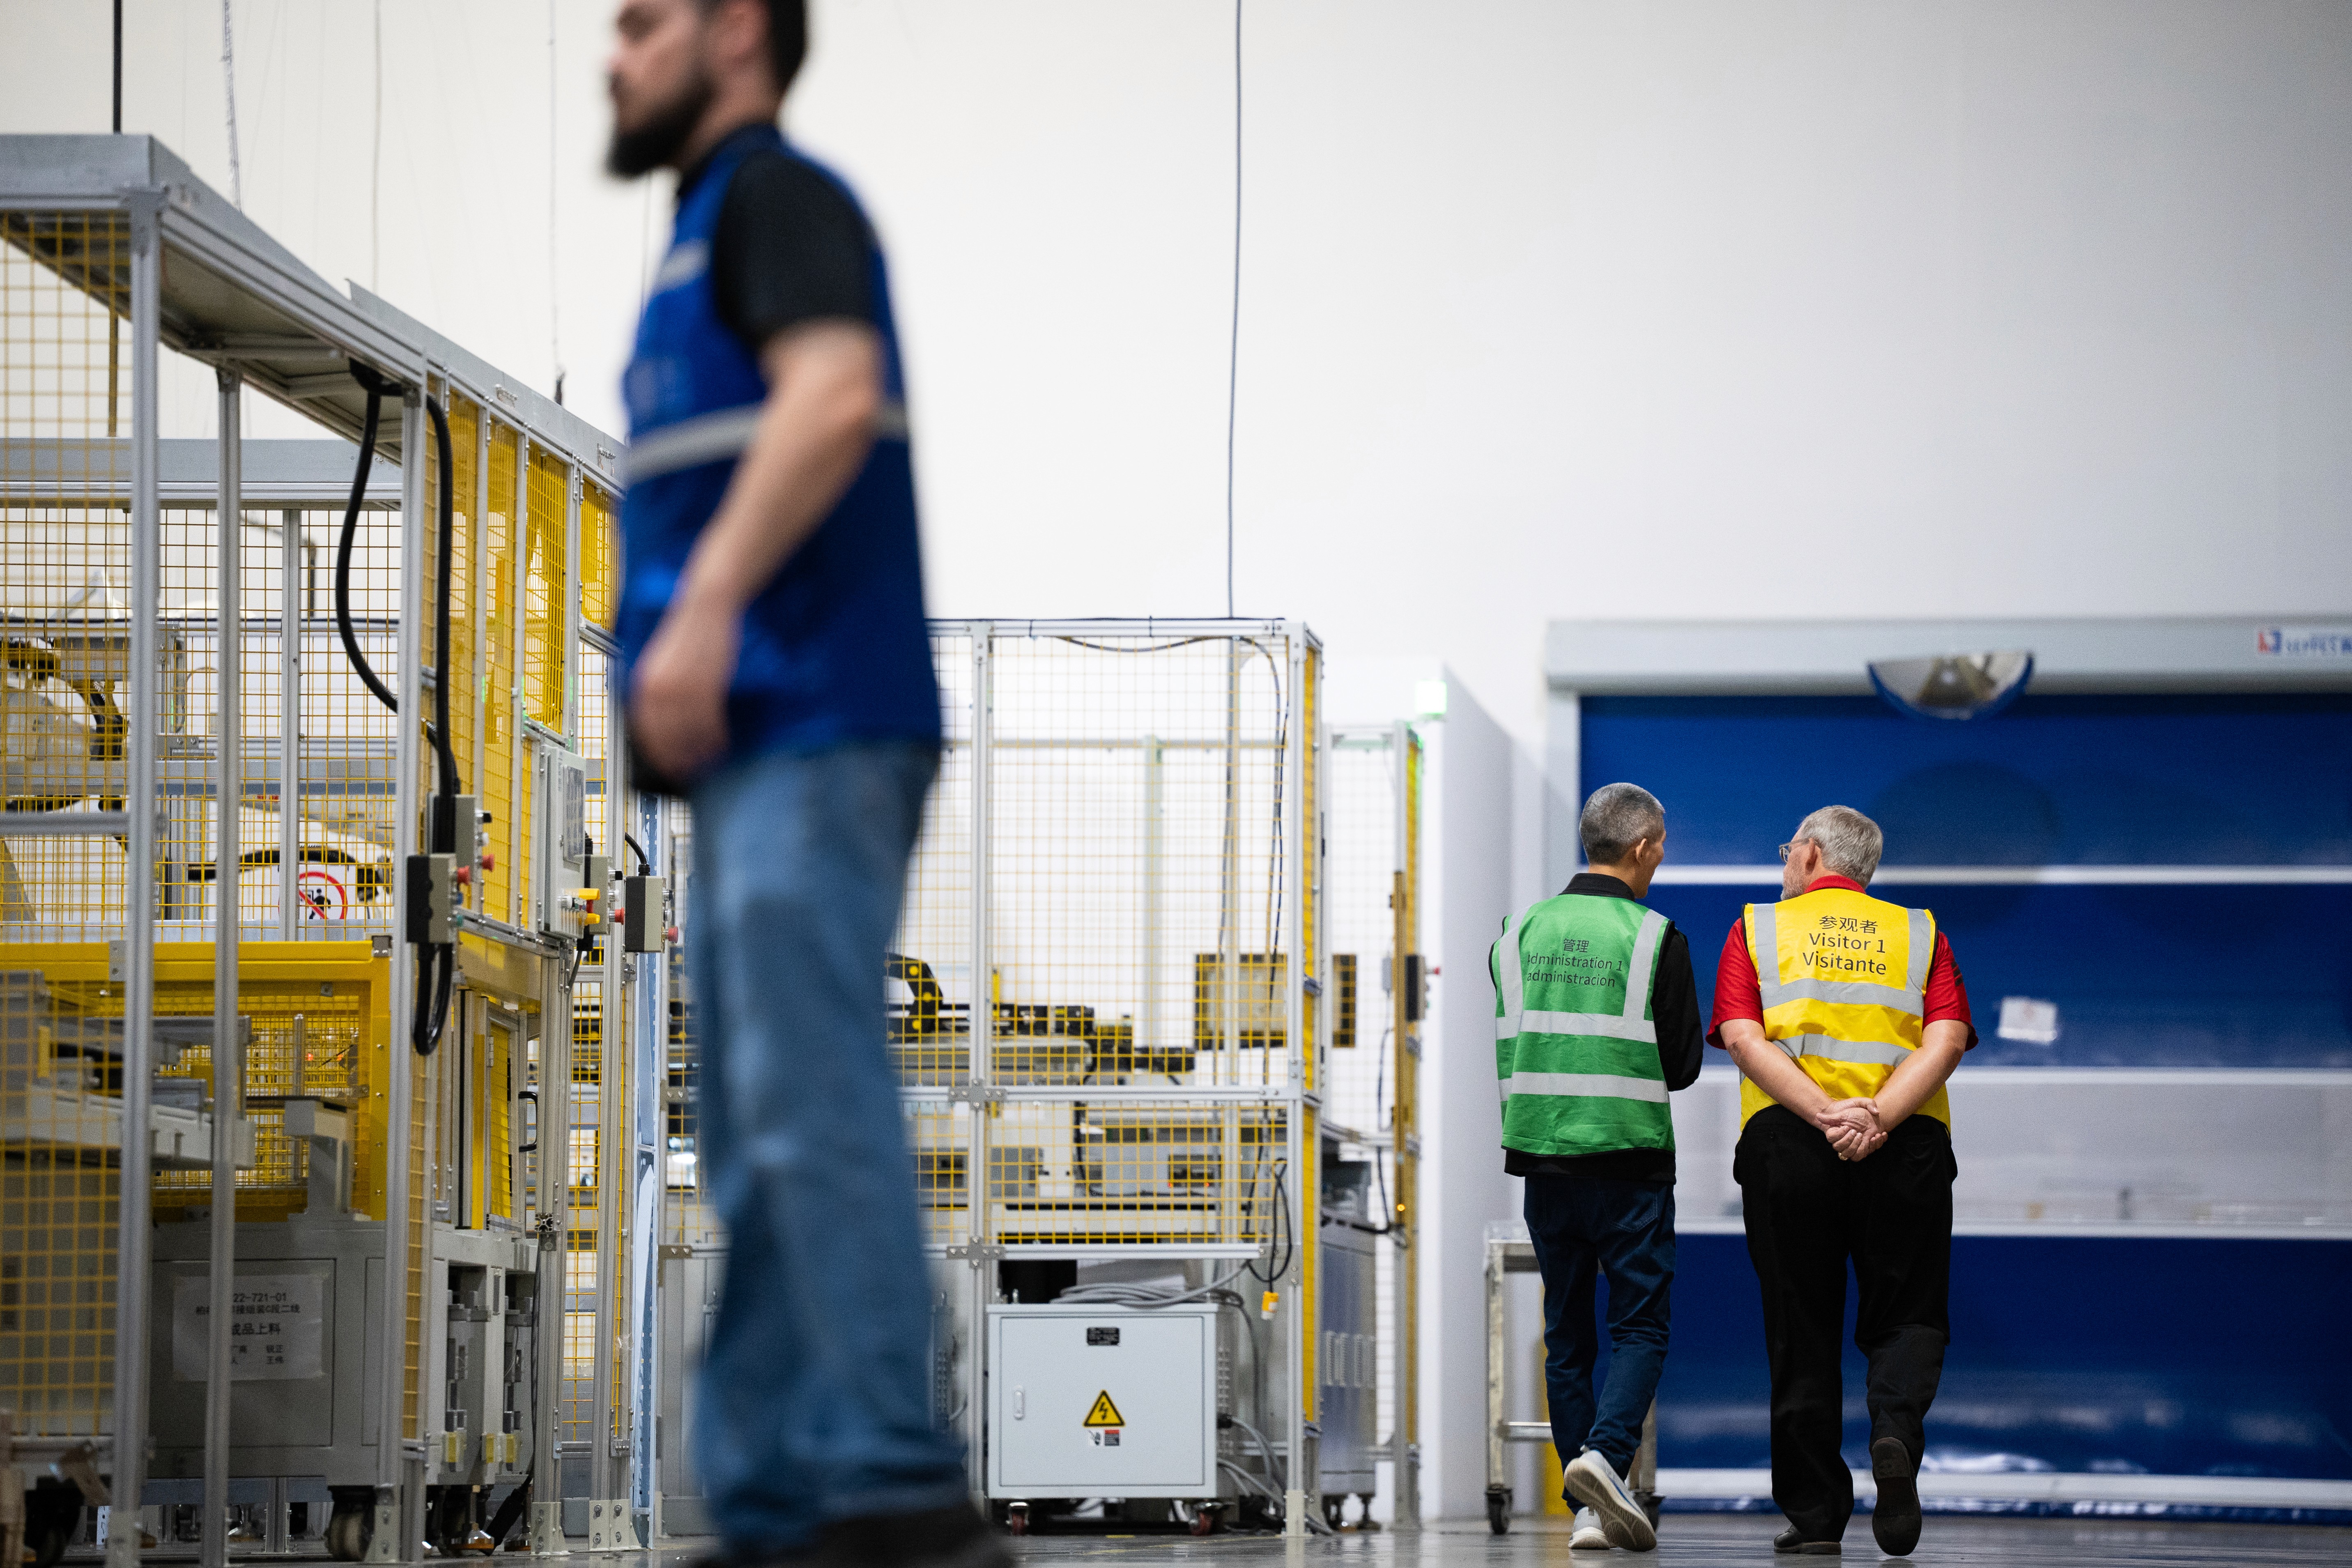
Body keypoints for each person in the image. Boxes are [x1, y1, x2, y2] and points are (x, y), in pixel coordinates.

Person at [604, 4, 999, 1566]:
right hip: (762, 747)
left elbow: (833, 395)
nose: (616, 55)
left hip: (818, 719)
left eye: (643, 23)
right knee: (760, 1121)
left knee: (812, 1096)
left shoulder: (778, 202)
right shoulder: (698, 241)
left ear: (737, 33)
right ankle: (774, 1495)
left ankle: (884, 1477)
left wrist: (700, 610)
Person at [1707, 805, 1975, 1558]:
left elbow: (1741, 1035)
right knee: (1910, 1310)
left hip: (1791, 1143)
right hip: (1906, 1142)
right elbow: (1947, 1037)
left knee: (1801, 1327)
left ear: (1813, 854)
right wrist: (1879, 1116)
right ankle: (1893, 1433)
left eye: (1788, 848)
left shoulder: (1756, 928)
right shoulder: (1920, 931)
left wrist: (1828, 1115)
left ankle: (1817, 1514)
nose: (1784, 860)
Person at [1491, 783, 1705, 1552]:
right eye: (1662, 847)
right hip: (1630, 1163)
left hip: (1544, 1161)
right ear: (1643, 846)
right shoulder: (1654, 937)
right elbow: (1681, 1066)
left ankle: (1586, 1512)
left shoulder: (1516, 933)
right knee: (1641, 1324)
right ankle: (1605, 1461)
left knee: (1568, 1335)